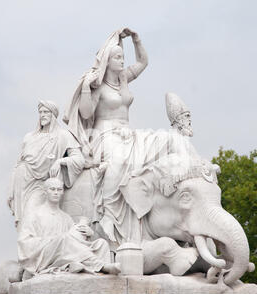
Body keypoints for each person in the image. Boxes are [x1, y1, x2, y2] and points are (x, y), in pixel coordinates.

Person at [63, 28, 179, 247]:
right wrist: (87, 87)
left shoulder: (124, 78)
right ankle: (110, 214)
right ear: (107, 60)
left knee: (161, 147)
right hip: (104, 134)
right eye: (117, 57)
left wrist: (137, 40)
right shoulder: (97, 85)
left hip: (128, 132)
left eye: (123, 57)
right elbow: (86, 114)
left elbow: (143, 62)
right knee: (118, 162)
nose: (122, 60)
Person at [17, 178, 121, 276]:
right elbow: (25, 243)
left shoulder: (66, 218)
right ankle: (100, 266)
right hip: (45, 256)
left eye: (59, 189)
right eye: (52, 189)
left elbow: (76, 242)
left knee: (101, 244)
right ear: (45, 192)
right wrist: (53, 241)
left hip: (66, 252)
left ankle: (91, 269)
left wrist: (88, 234)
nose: (56, 192)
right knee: (64, 239)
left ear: (62, 192)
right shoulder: (34, 215)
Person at [8, 100, 85, 228]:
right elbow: (19, 163)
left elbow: (79, 159)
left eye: (46, 112)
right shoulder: (29, 137)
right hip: (21, 183)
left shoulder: (63, 136)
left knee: (33, 217)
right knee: (23, 223)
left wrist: (61, 161)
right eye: (40, 112)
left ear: (53, 115)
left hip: (41, 184)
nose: (42, 115)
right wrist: (12, 187)